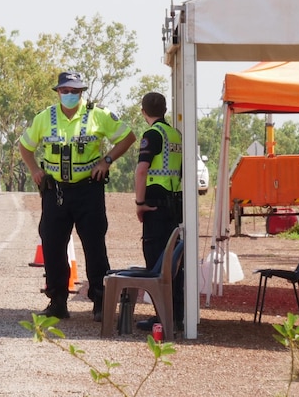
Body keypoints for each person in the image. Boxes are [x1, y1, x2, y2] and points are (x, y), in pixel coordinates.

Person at [19, 71, 136, 321]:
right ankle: (57, 301)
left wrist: (106, 161)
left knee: (94, 246)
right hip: (55, 193)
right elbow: (25, 145)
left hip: (88, 190)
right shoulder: (45, 118)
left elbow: (128, 137)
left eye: (74, 91)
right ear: (58, 92)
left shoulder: (98, 116)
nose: (69, 95)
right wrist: (35, 170)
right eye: (65, 91)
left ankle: (100, 301)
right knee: (52, 245)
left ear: (82, 92)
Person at [133, 92, 184, 332]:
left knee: (156, 261)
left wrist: (139, 202)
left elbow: (142, 170)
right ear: (164, 110)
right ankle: (176, 315)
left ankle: (162, 317)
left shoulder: (152, 134)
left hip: (156, 204)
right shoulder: (176, 134)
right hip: (175, 203)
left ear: (144, 112)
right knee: (175, 262)